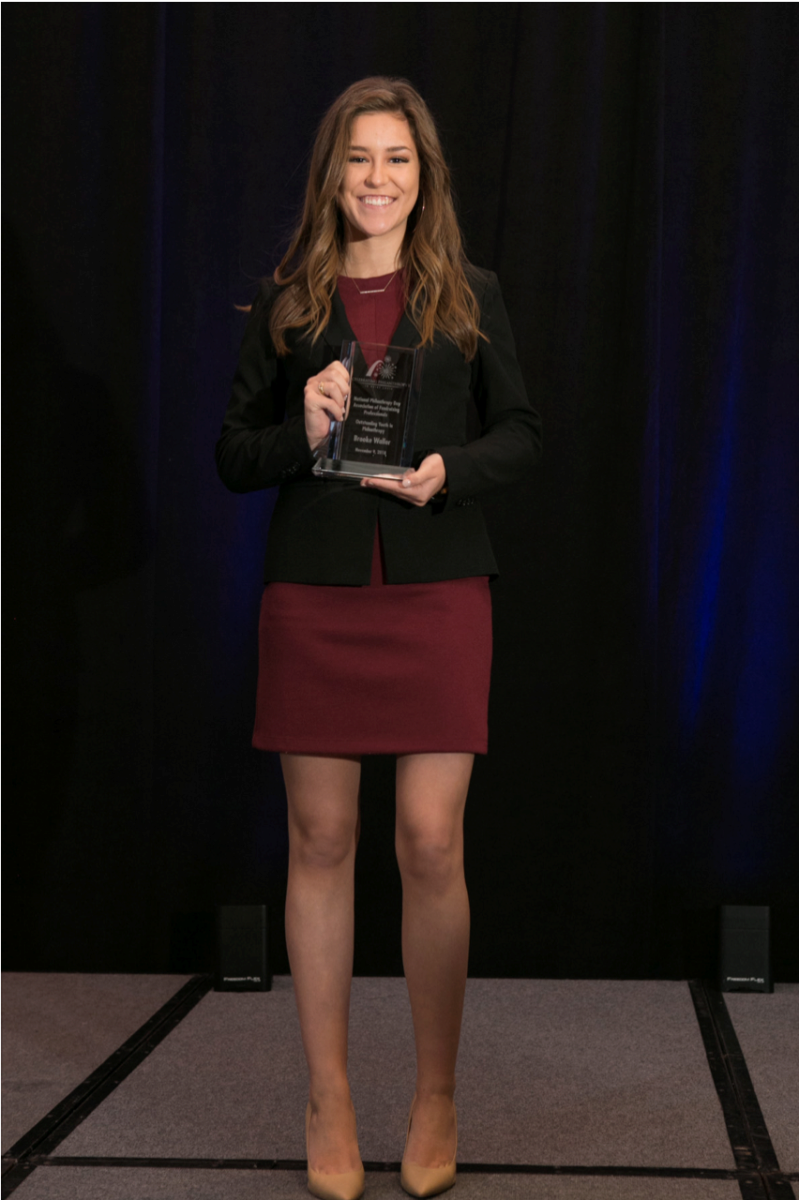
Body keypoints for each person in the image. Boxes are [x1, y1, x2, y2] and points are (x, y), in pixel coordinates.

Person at [217, 76, 542, 1200]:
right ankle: (330, 1097)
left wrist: (455, 471)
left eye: (396, 158)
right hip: (313, 595)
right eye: (357, 157)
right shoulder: (289, 305)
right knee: (318, 843)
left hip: (438, 590)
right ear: (331, 175)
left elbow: (523, 434)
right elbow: (231, 454)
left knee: (430, 844)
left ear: (423, 175)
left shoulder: (469, 297)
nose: (376, 178)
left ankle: (437, 1093)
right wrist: (300, 436)